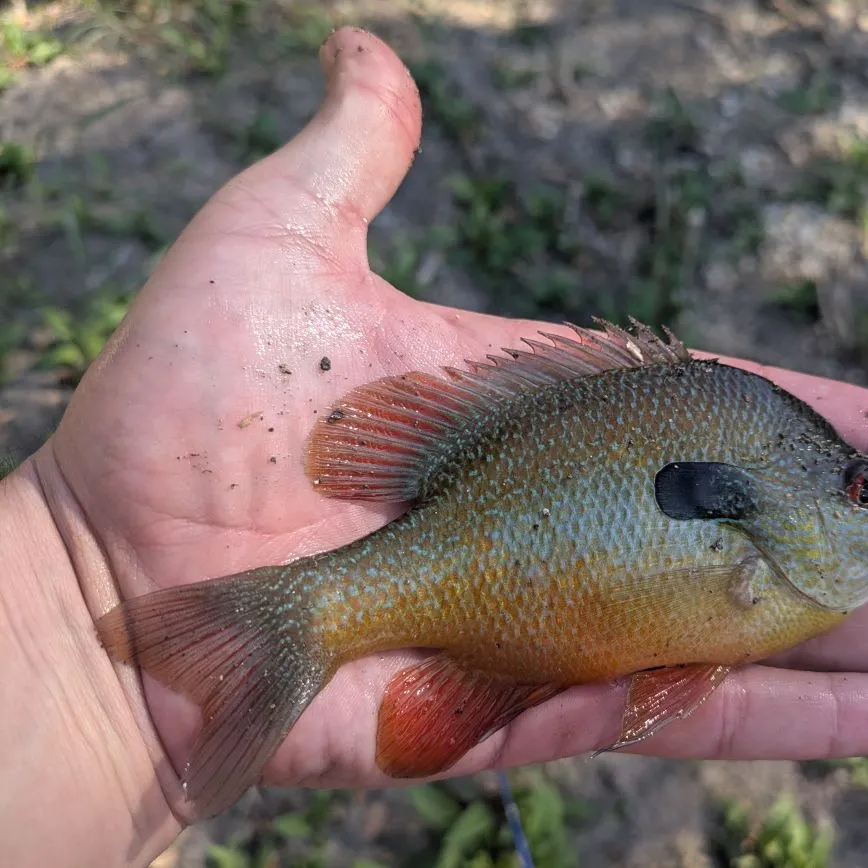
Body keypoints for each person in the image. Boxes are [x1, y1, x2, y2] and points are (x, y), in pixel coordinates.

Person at [2, 27, 867, 868]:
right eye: (859, 490)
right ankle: (273, 622)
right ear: (758, 500)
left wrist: (71, 641)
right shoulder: (767, 527)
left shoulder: (775, 533)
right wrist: (76, 604)